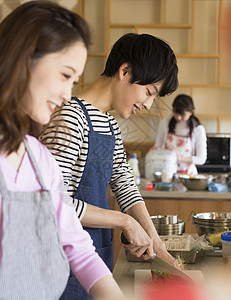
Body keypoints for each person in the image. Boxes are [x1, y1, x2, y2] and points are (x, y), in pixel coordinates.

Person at [0, 1, 125, 299]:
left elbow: (78, 247)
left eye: (75, 81)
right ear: (24, 59)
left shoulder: (39, 158)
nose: (68, 94)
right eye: (64, 75)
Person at [41, 32, 179, 299]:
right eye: (149, 92)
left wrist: (157, 244)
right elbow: (50, 205)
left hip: (93, 261)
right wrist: (124, 221)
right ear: (125, 71)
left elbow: (126, 187)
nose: (148, 104)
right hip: (60, 266)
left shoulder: (109, 124)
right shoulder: (70, 117)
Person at [154, 94, 207, 174]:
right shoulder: (164, 123)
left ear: (191, 112)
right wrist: (155, 151)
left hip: (188, 175)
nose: (178, 117)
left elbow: (201, 159)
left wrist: (179, 158)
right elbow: (158, 147)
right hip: (166, 172)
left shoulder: (198, 129)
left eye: (182, 114)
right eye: (175, 113)